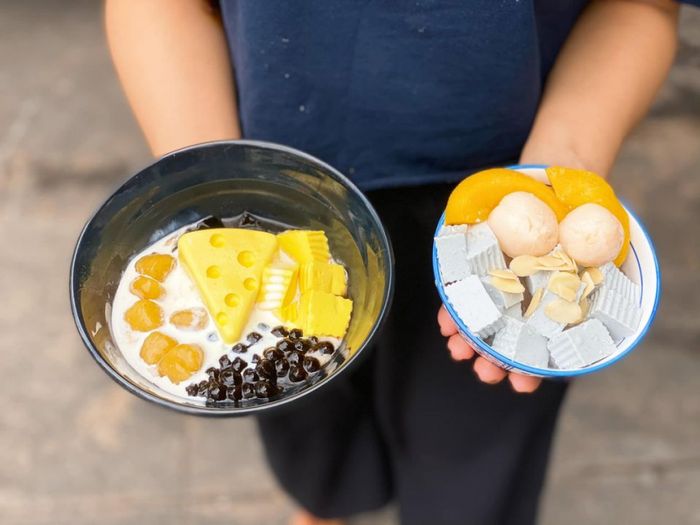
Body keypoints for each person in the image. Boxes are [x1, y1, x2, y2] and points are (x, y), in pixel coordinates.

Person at [105, 1, 693, 523]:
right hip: (272, 191)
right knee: (304, 412)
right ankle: (331, 501)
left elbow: (640, 5)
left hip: (490, 194)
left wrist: (553, 174)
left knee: (472, 445)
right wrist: (218, 183)